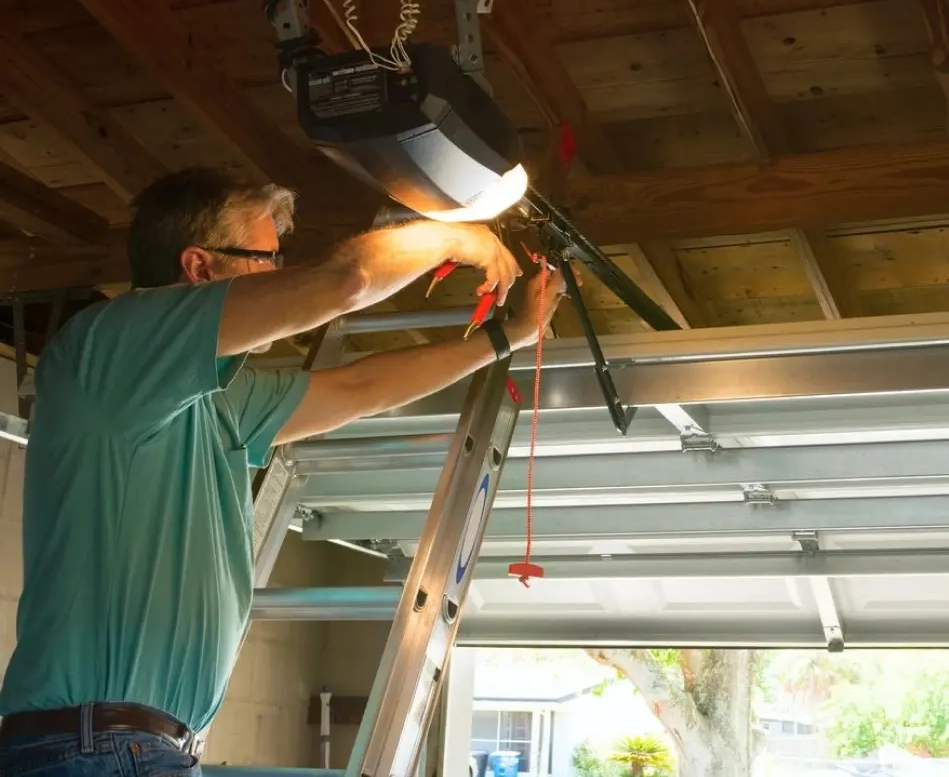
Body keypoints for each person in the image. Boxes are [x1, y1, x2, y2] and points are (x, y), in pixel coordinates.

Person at [0, 167, 568, 776]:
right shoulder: (111, 349)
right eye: (265, 258)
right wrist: (455, 237)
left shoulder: (217, 398)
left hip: (122, 748)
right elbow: (344, 281)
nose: (277, 275)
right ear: (199, 267)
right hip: (97, 747)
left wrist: (504, 337)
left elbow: (361, 387)